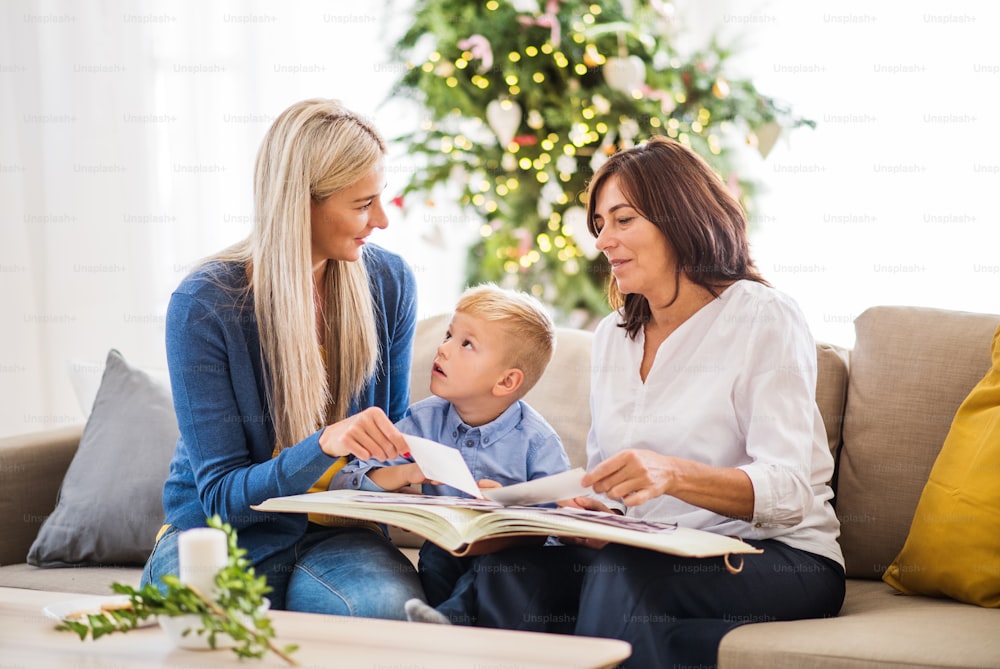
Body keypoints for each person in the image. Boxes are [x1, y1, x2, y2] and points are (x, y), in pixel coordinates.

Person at [467, 136, 846, 668]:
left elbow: (790, 491)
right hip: (654, 546)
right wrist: (593, 511)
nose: (604, 240)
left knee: (624, 574)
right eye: (599, 225)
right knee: (510, 572)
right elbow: (613, 481)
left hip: (779, 556)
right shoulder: (612, 337)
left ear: (680, 217)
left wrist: (673, 474)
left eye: (623, 220)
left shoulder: (763, 317)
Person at [141, 98, 425, 618]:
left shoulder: (390, 283)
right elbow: (222, 498)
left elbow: (393, 444)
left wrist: (448, 479)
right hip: (223, 537)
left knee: (386, 610)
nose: (381, 220)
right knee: (211, 623)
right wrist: (323, 445)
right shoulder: (206, 304)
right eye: (363, 204)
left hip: (343, 537)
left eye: (378, 198)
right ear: (302, 205)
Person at [334, 283, 570, 623]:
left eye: (466, 344)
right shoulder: (423, 420)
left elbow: (558, 519)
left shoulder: (537, 441)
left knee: (492, 569)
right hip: (444, 550)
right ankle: (438, 621)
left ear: (506, 382)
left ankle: (446, 623)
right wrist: (405, 473)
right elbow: (348, 477)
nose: (442, 349)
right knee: (437, 556)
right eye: (448, 335)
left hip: (506, 564)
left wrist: (509, 504)